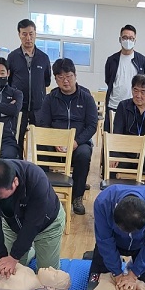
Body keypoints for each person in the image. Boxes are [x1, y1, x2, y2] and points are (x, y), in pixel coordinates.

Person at [0, 158, 65, 275]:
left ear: (15, 182)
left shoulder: (36, 179)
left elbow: (33, 223)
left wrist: (14, 257)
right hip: (12, 224)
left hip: (47, 225)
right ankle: (29, 250)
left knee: (47, 276)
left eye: (0, 197)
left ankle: (29, 249)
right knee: (10, 273)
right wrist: (2, 257)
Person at [36, 58, 98, 215]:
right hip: (55, 141)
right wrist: (56, 140)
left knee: (84, 154)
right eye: (60, 77)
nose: (65, 81)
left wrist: (76, 142)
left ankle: (77, 196)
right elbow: (44, 124)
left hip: (78, 142)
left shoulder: (86, 97)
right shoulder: (50, 98)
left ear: (75, 75)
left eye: (69, 76)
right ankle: (45, 193)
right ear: (55, 79)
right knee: (40, 149)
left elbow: (92, 125)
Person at [88, 184, 145, 290]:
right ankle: (110, 260)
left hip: (141, 246)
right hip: (114, 243)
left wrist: (133, 274)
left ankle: (131, 265)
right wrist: (117, 273)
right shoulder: (103, 202)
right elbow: (105, 240)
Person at [112, 75, 145, 188]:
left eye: (143, 92)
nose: (138, 95)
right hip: (125, 154)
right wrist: (114, 155)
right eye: (135, 90)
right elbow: (116, 133)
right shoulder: (123, 106)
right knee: (110, 167)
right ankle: (117, 200)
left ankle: (141, 198)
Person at [8, 19, 51, 157]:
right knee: (17, 140)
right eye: (24, 34)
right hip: (19, 108)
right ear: (19, 35)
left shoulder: (44, 58)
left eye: (31, 34)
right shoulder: (12, 57)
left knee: (41, 141)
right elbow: (9, 81)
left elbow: (47, 80)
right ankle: (18, 168)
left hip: (39, 107)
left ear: (35, 34)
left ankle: (41, 171)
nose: (28, 38)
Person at [104, 25, 145, 131]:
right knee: (112, 139)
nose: (128, 40)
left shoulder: (142, 61)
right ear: (120, 39)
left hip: (135, 106)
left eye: (131, 38)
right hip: (114, 105)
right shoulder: (112, 60)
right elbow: (108, 80)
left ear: (135, 40)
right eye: (125, 37)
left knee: (132, 139)